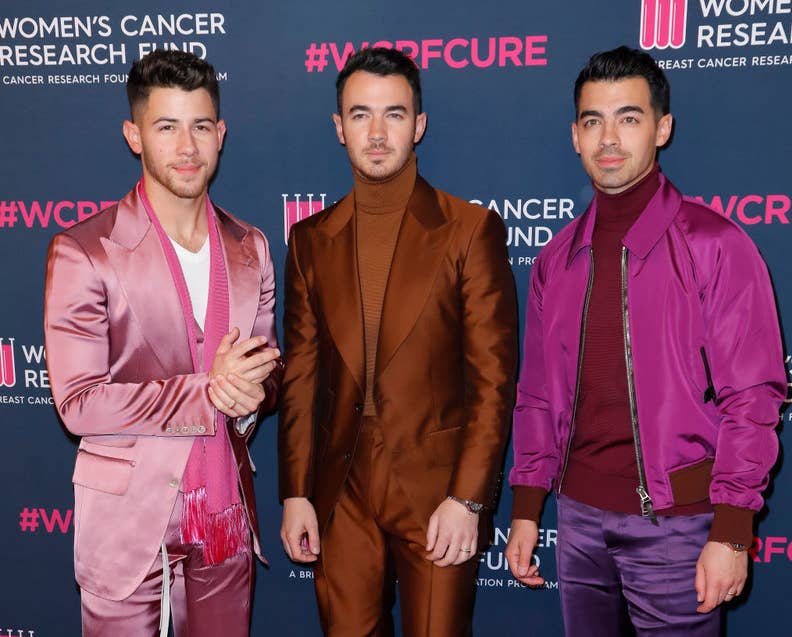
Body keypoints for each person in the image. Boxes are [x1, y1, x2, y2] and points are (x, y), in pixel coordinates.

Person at [506, 46, 785, 636]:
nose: (609, 137)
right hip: (577, 523)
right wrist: (529, 508)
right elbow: (536, 396)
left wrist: (732, 530)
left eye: (628, 118)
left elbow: (752, 398)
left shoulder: (715, 244)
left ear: (662, 128)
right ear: (575, 137)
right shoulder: (556, 259)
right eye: (593, 121)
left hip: (677, 528)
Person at [278, 47, 517, 636]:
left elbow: (492, 382)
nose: (378, 132)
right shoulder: (310, 239)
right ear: (339, 128)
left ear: (419, 124)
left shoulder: (469, 230)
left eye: (394, 114)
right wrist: (295, 493)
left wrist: (467, 499)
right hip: (340, 494)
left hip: (437, 493)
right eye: (361, 115)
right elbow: (302, 379)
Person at [44, 49, 282, 636]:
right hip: (126, 519)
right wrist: (209, 392)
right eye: (166, 127)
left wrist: (250, 394)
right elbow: (79, 405)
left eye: (201, 127)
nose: (187, 147)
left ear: (220, 134)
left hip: (224, 512)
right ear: (134, 135)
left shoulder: (250, 247)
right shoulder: (86, 250)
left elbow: (270, 374)